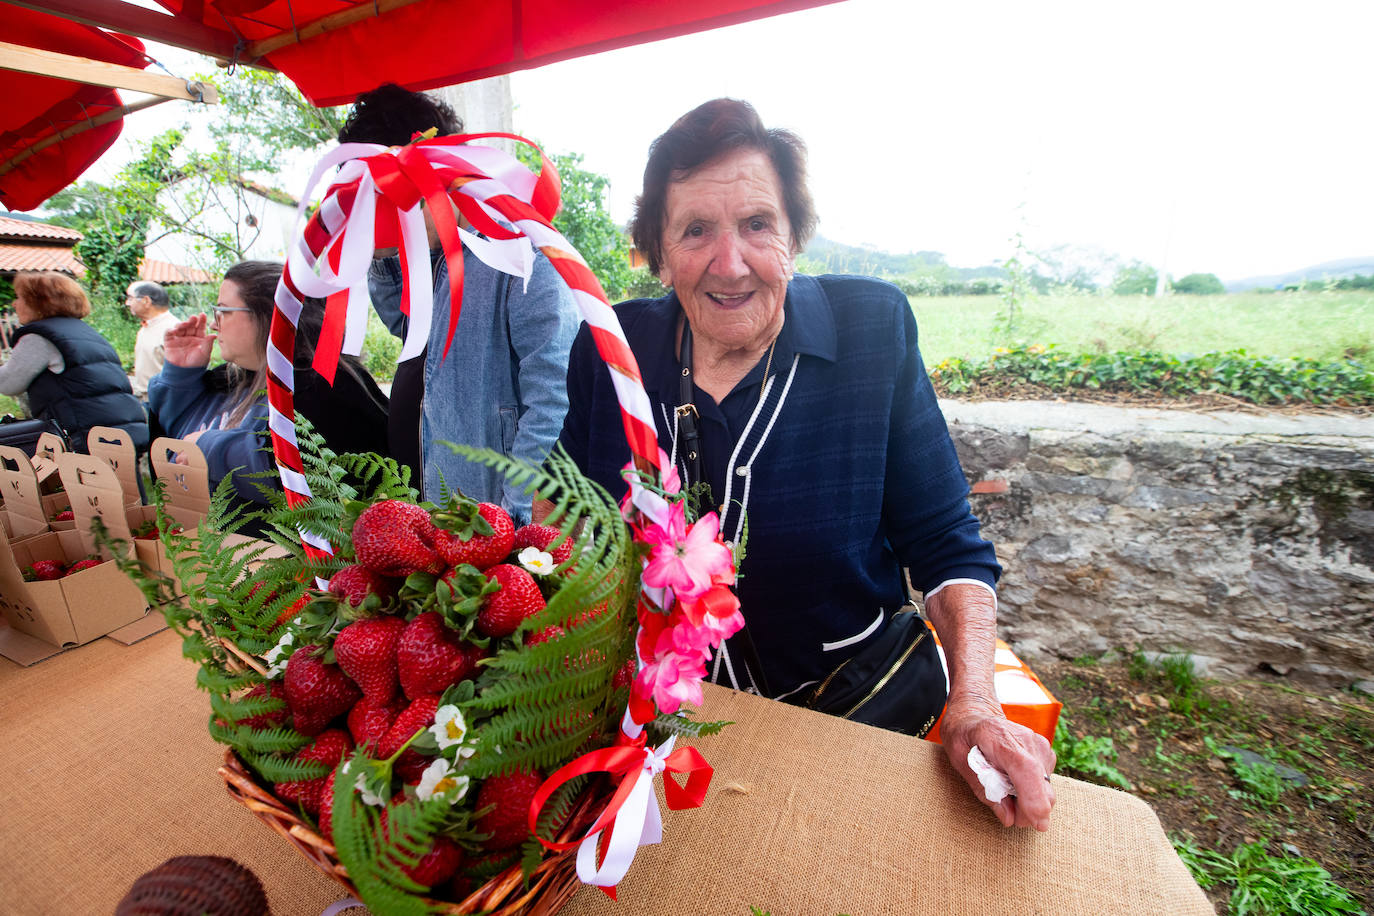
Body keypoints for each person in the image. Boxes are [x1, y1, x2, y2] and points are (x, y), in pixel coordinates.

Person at [552, 99, 1056, 830]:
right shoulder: (613, 348)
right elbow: (567, 532)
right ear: (657, 253)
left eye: (758, 224)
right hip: (671, 738)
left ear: (795, 235)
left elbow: (949, 548)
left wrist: (975, 705)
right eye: (696, 230)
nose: (731, 263)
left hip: (856, 722)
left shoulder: (869, 330)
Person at [337, 84, 581, 523]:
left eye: (387, 201)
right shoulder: (437, 256)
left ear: (432, 171)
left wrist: (514, 520)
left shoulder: (521, 251)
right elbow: (412, 331)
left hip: (499, 521)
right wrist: (381, 254)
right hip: (448, 505)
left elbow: (554, 398)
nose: (384, 220)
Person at [148, 260, 389, 505]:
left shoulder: (323, 386)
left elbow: (287, 468)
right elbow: (174, 444)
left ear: (270, 315)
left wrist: (208, 447)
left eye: (223, 311)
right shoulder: (236, 379)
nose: (213, 323)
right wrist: (180, 376)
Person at [0, 271, 147, 452]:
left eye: (20, 297)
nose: (14, 304)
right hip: (119, 433)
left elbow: (8, 383)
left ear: (39, 302)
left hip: (84, 437)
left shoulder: (40, 338)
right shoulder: (84, 332)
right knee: (123, 480)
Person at [126, 280, 178, 401]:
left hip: (165, 400)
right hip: (147, 398)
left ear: (146, 301)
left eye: (130, 298)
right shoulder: (146, 328)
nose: (127, 303)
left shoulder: (173, 329)